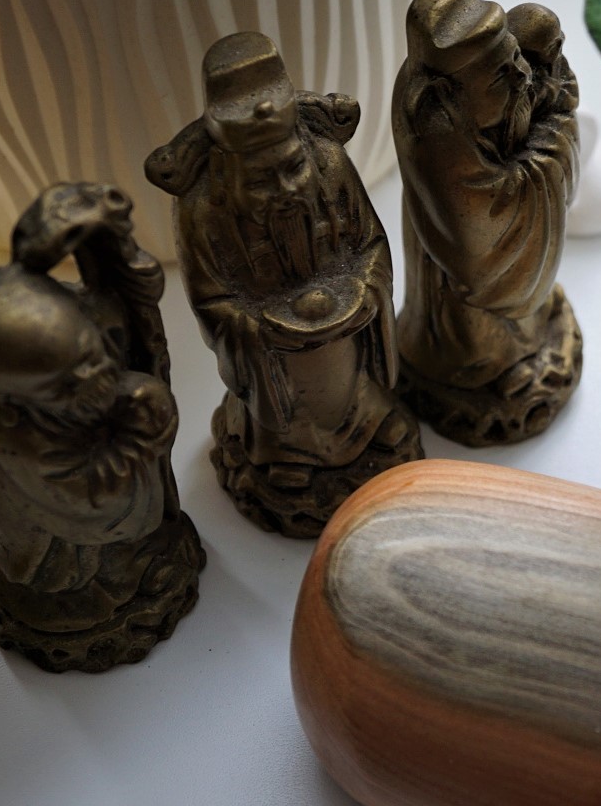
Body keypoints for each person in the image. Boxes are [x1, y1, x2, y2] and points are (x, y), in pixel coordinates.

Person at [146, 32, 420, 537]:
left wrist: (365, 289)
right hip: (274, 359)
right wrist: (256, 326)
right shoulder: (203, 208)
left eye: (293, 168)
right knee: (285, 419)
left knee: (360, 397)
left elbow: (369, 244)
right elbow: (211, 298)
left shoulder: (329, 163)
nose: (286, 189)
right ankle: (284, 451)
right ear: (231, 174)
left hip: (345, 341)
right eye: (260, 180)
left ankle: (369, 425)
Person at [0, 183, 204, 673]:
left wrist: (100, 241)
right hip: (62, 541)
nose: (98, 375)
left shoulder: (78, 325)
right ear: (18, 395)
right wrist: (139, 435)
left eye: (91, 354)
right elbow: (90, 499)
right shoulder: (14, 434)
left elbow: (130, 303)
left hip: (103, 502)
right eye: (69, 382)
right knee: (81, 578)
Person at [393, 0, 583, 446]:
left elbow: (552, 94)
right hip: (460, 261)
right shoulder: (435, 135)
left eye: (515, 57)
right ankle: (483, 368)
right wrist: (553, 146)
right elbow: (485, 232)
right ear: (449, 95)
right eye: (502, 74)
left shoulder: (457, 89)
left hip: (476, 247)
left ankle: (525, 334)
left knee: (526, 310)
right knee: (472, 333)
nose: (522, 75)